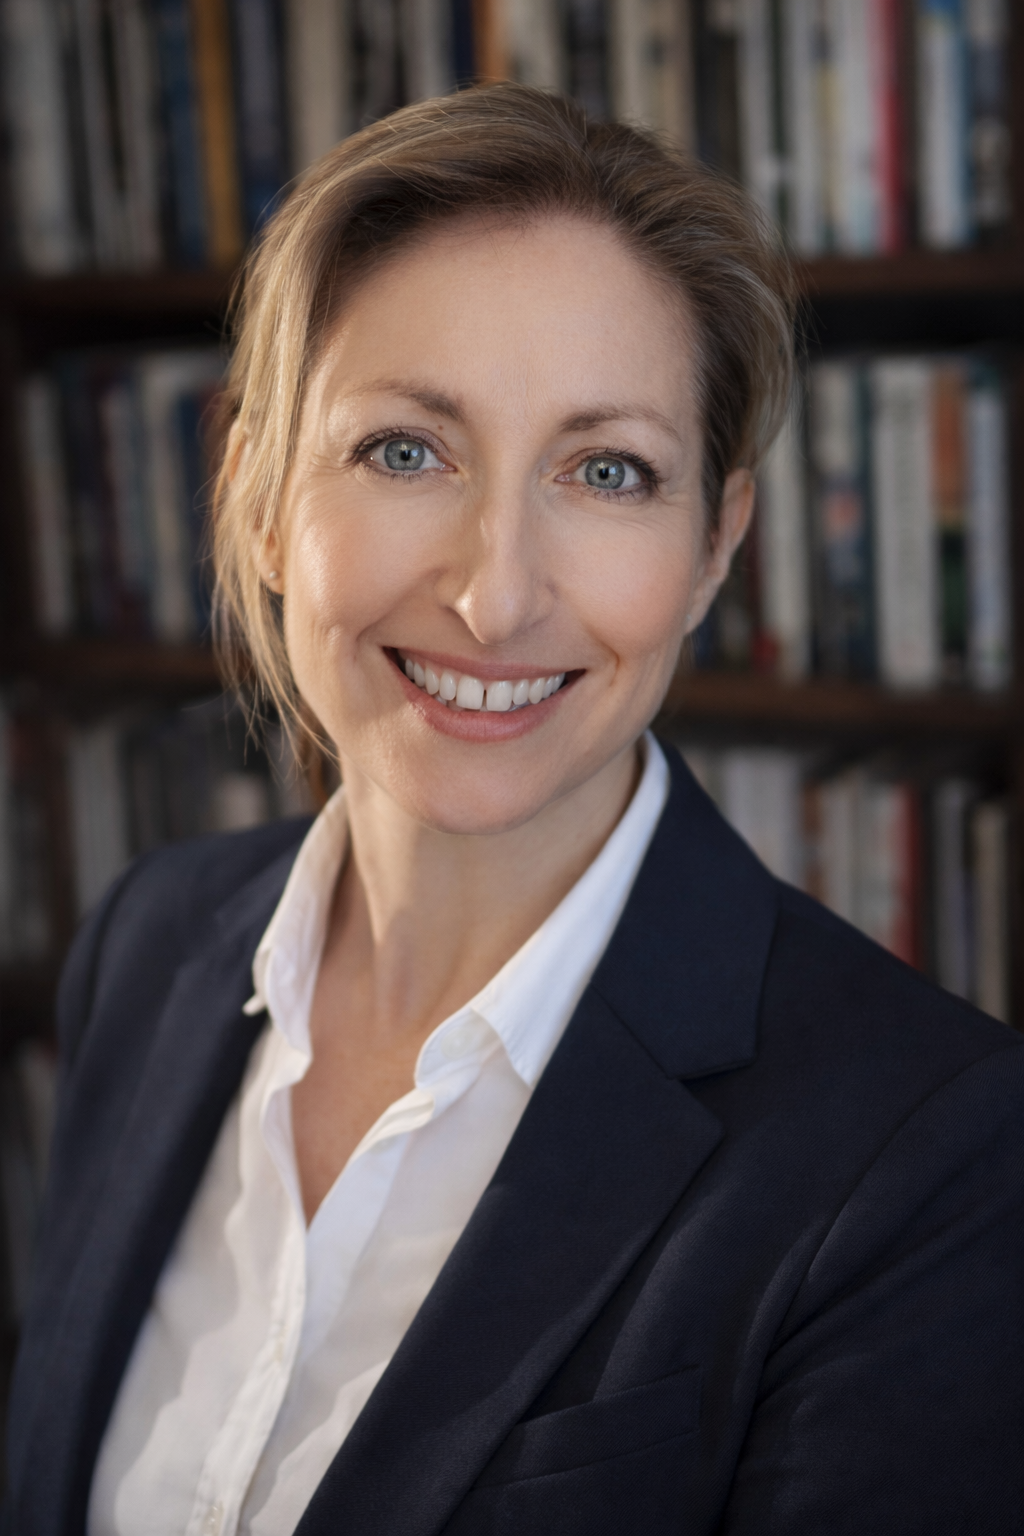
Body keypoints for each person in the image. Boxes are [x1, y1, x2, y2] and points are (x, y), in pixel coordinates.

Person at [5, 85, 1022, 1536]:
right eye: (405, 450)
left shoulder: (930, 1161)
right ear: (254, 491)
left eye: (608, 473)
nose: (497, 594)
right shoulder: (148, 944)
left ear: (717, 540)